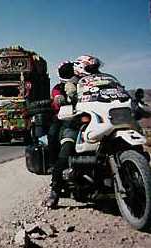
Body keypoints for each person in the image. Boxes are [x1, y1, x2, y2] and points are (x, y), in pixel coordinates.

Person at [46, 55, 105, 208]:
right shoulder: (65, 86)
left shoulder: (98, 82)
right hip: (74, 122)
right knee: (66, 150)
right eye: (91, 69)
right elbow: (57, 95)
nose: (94, 71)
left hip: (99, 121)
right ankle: (55, 190)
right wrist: (60, 98)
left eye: (95, 69)